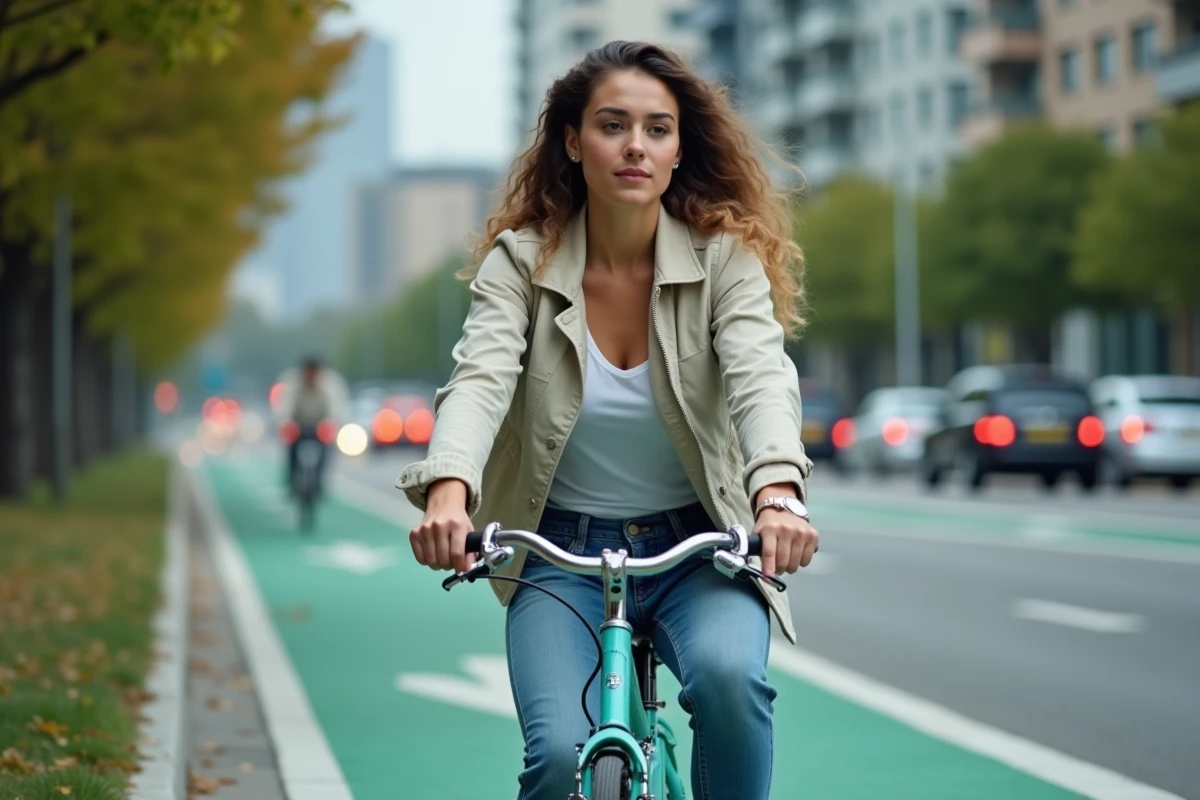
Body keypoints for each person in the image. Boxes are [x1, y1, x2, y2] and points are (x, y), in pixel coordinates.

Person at [398, 40, 818, 800]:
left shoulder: (725, 261)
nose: (635, 146)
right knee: (558, 756)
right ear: (572, 139)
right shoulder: (520, 262)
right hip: (559, 552)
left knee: (730, 684)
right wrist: (449, 493)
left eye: (657, 128)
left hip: (702, 547)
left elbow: (761, 380)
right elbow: (480, 380)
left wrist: (778, 497)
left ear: (679, 147)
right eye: (612, 125)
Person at [279, 355, 344, 496]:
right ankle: (292, 480)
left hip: (320, 426)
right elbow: (285, 406)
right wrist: (287, 423)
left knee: (326, 450)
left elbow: (335, 408)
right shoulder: (292, 383)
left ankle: (320, 481)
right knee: (291, 449)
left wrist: (330, 424)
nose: (311, 375)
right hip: (299, 425)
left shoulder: (330, 384)